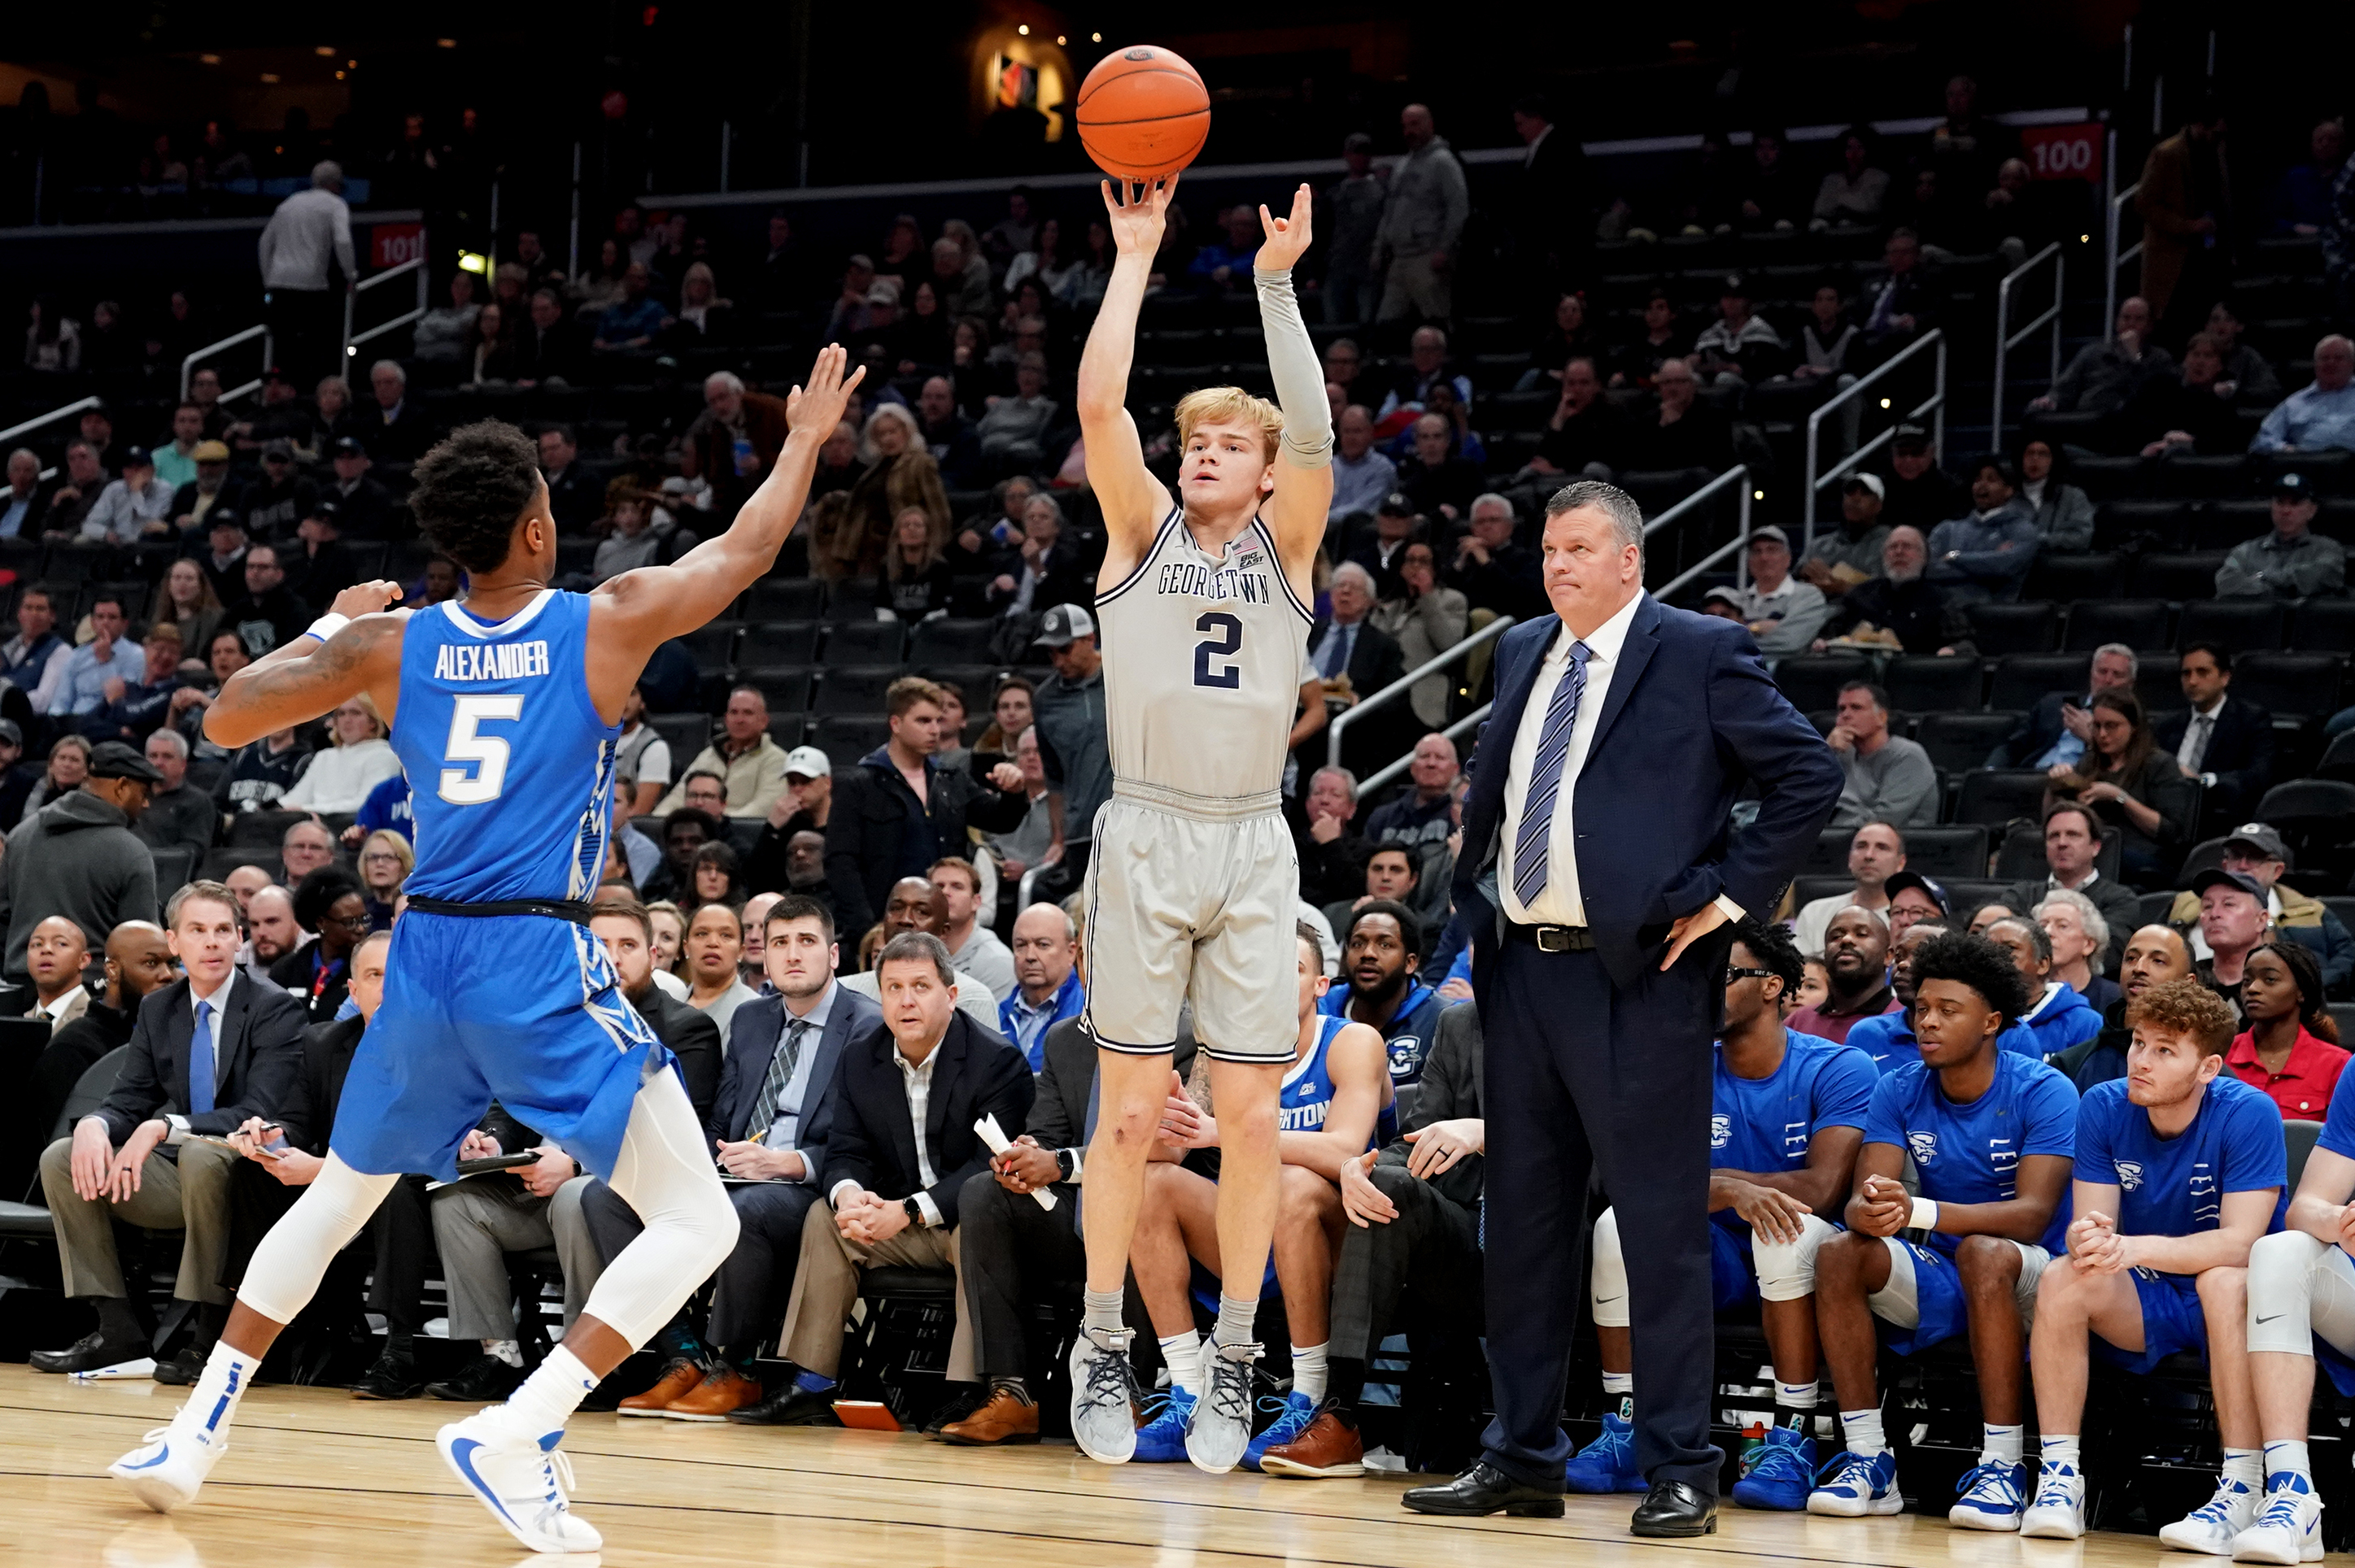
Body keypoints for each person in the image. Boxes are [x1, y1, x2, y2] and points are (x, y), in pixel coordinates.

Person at [103, 346, 864, 1552]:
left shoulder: (393, 645)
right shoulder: (599, 623)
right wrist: (804, 443)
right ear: (533, 529)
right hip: (531, 957)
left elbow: (229, 711)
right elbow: (744, 551)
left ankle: (192, 1428)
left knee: (343, 1200)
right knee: (700, 1222)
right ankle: (519, 1427)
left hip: (421, 963)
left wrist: (329, 626)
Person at [1413, 478, 1842, 1534]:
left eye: (1576, 548)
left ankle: (1680, 1465)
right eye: (1547, 549)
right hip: (1520, 970)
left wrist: (1727, 899)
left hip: (1638, 978)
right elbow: (1507, 794)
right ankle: (1519, 1453)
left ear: (1627, 561)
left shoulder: (1695, 649)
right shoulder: (1520, 650)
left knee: (1654, 1228)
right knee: (1518, 1227)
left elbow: (1805, 775)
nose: (1555, 565)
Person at [1060, 175, 1334, 1475]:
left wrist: (1275, 285)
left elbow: (1321, 440)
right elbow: (1099, 407)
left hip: (1249, 836)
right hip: (1149, 833)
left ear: (1267, 472)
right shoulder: (1138, 534)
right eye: (1198, 440)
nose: (1204, 452)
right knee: (1123, 1115)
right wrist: (1134, 256)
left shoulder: (1286, 553)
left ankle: (1232, 1353)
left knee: (1248, 1117)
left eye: (1230, 442)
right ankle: (1102, 1333)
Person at [1569, 919, 1874, 1509]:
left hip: (1797, 1258)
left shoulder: (1838, 1066)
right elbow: (1635, 1183)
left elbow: (1821, 1188)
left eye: (1724, 974)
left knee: (1782, 1228)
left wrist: (1712, 1187)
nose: (1705, 986)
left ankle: (1789, 1438)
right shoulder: (1679, 1064)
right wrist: (1731, 1191)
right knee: (1615, 1226)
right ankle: (1626, 1427)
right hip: (1705, 1254)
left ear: (1773, 987)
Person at [1806, 932, 2076, 1528]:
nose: (1927, 1023)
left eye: (1947, 1011)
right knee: (1837, 1253)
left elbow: (2031, 1215)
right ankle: (1868, 1460)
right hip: (1943, 1267)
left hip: (2037, 1276)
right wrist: (1866, 1212)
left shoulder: (2044, 1089)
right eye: (1921, 1009)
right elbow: (1864, 1198)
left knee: (1984, 1253)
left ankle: (2003, 1467)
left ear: (1991, 1022)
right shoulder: (1897, 1087)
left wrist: (1916, 1212)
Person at [2017, 978, 2280, 1541]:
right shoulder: (2103, 1104)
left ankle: (2241, 1487)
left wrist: (2132, 1248)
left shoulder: (2249, 1112)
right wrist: (2088, 1242)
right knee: (2065, 1276)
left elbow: (2240, 1243)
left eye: (2164, 1051)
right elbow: (2091, 1228)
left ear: (2207, 1068)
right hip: (2146, 1293)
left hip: (2238, 1300)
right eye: (2139, 1043)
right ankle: (2060, 1478)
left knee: (2224, 1280)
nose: (2141, 1061)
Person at [1123, 922, 1387, 1470]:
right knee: (1149, 1187)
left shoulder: (1351, 1041)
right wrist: (1151, 1117)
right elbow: (1171, 1155)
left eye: (1290, 969)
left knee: (1292, 1185)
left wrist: (1224, 1132)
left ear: (1320, 985)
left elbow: (1343, 1149)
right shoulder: (1220, 1055)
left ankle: (1308, 1396)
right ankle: (1190, 1393)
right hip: (1251, 1239)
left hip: (1345, 1240)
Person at [30, 883, 311, 1379]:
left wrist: (162, 1127)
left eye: (223, 930)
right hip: (182, 1171)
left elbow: (258, 1108)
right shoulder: (160, 1009)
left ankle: (207, 1333)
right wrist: (97, 1124)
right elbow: (130, 1096)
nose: (212, 943)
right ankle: (116, 1327)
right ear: (174, 942)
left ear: (239, 940)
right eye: (197, 931)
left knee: (202, 1155)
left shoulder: (273, 1007)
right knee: (61, 1155)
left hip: (251, 1170)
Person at [761, 931, 1030, 1421]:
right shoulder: (861, 1058)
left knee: (982, 1216)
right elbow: (846, 1150)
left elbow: (986, 1168)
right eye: (894, 988)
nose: (907, 1001)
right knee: (826, 1218)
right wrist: (850, 1197)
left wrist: (905, 1212)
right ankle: (811, 1382)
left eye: (921, 987)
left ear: (950, 996)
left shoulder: (996, 1061)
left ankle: (970, 1390)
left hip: (967, 1221)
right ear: (878, 996)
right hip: (898, 1222)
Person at [0, 740, 162, 987]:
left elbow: (2, 919)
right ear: (122, 787)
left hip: (17, 996)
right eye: (143, 793)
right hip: (92, 999)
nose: (146, 803)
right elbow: (141, 945)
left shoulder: (21, 834)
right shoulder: (131, 851)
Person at [2168, 822, 2353, 995]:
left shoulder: (2310, 911)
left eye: (2255, 857)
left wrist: (2306, 987)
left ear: (2278, 870)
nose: (2242, 865)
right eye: (2236, 855)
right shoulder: (2185, 904)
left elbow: (2347, 955)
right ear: (2225, 865)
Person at [2044, 691, 2193, 886]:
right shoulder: (2090, 764)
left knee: (2103, 855)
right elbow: (2050, 820)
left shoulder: (2159, 764)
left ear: (2133, 727)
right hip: (2097, 852)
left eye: (2112, 726)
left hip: (2146, 859)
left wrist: (2119, 797)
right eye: (2097, 726)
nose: (2103, 734)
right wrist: (2054, 786)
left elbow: (2170, 831)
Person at [2052, 924, 2196, 1091]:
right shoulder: (2070, 1065)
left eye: (2158, 961)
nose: (2139, 968)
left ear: (2188, 983)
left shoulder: (2206, 1072)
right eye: (2131, 958)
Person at [2152, 643, 2275, 834]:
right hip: (2165, 818)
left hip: (2218, 821)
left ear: (2225, 677)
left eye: (2202, 672)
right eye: (2186, 673)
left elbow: (2257, 777)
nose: (2192, 681)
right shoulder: (2166, 725)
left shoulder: (2250, 720)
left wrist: (2200, 781)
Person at [1320, 903, 1445, 1086]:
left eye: (1385, 944)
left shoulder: (1441, 1020)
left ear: (1410, 963)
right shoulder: (1318, 1011)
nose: (1368, 953)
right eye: (1358, 944)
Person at [2222, 939, 2347, 1120]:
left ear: (2301, 991)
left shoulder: (2337, 1065)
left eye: (2270, 980)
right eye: (2247, 980)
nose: (2253, 989)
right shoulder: (2220, 1055)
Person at [256, 163, 354, 383]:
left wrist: (268, 280)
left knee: (282, 347)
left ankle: (281, 390)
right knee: (316, 344)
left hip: (279, 285)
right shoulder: (335, 204)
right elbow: (343, 241)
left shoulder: (289, 204)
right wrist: (351, 275)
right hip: (312, 286)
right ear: (334, 184)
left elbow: (264, 243)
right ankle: (312, 387)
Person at [1375, 105, 1469, 324]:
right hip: (1399, 258)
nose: (1409, 131)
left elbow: (1458, 208)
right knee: (1387, 323)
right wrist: (1379, 248)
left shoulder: (1443, 161)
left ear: (1430, 125)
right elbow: (1390, 209)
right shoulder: (1402, 165)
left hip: (1427, 256)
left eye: (1415, 124)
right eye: (1405, 126)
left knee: (1435, 320)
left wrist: (1444, 249)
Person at [656, 686, 792, 820]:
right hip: (695, 828)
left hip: (738, 834)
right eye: (734, 712)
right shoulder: (709, 754)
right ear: (726, 719)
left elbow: (762, 808)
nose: (740, 720)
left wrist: (716, 823)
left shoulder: (777, 759)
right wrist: (657, 821)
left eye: (748, 713)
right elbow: (679, 795)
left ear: (764, 721)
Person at [2030, 296, 2175, 417]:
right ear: (2117, 323)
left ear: (2149, 326)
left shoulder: (2160, 358)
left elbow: (2154, 398)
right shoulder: (2092, 353)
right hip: (2088, 420)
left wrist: (2135, 357)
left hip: (2132, 425)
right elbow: (2064, 389)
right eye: (2126, 318)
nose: (2131, 324)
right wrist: (2050, 400)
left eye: (2139, 319)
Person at [1982, 914, 2103, 1058]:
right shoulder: (1970, 1016)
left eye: (2010, 948)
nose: (1995, 956)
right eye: (1988, 948)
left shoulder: (2085, 1022)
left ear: (2043, 964)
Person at [1926, 456, 2039, 604]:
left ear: (2009, 490)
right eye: (1977, 480)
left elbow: (2002, 567)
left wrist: (1953, 556)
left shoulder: (2022, 530)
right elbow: (1927, 569)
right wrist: (1986, 564)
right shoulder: (1946, 529)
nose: (1981, 485)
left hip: (1995, 615)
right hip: (1942, 610)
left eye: (1991, 480)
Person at [2217, 470, 2345, 599]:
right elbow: (2226, 584)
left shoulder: (2329, 549)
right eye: (2280, 502)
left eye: (2295, 503)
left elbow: (2322, 577)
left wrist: (2263, 577)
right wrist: (2286, 589)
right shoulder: (2245, 551)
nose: (2285, 510)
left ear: (2312, 510)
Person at [1825, 682, 1936, 829]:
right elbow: (1807, 800)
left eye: (1856, 708)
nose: (1846, 715)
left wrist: (1830, 831)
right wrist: (1825, 752)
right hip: (1838, 841)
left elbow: (1883, 820)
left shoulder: (1908, 755)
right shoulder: (1840, 753)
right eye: (1841, 709)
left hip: (1896, 845)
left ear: (1882, 717)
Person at [1787, 905, 1901, 1046]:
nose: (1846, 940)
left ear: (1888, 956)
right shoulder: (1798, 1021)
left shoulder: (1906, 1019)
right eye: (1836, 936)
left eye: (1861, 934)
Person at [1791, 821, 1905, 956]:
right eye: (1861, 846)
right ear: (1850, 859)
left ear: (1900, 863)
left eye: (1882, 847)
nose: (1869, 855)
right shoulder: (1815, 913)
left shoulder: (1907, 920)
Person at [278, 695, 399, 813]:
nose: (347, 720)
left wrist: (309, 810)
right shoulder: (325, 756)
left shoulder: (384, 756)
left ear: (373, 721)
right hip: (312, 822)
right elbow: (295, 799)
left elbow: (366, 803)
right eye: (341, 714)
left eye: (355, 713)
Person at [2249, 334, 2355, 455]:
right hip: (2307, 466)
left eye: (2339, 358)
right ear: (2315, 365)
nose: (2331, 363)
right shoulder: (2294, 403)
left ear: (2352, 364)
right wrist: (2286, 450)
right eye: (2325, 358)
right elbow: (2262, 440)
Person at [2194, 869, 2274, 1026]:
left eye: (2228, 904)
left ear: (2261, 920)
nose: (2214, 914)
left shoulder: (2287, 980)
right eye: (2207, 906)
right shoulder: (2190, 979)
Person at [930, 856, 1014, 1003]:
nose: (945, 892)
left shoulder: (997, 961)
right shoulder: (913, 949)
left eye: (957, 886)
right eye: (939, 886)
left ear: (976, 902)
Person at [2034, 889, 2118, 1012]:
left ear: (2088, 945)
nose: (2047, 932)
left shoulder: (2113, 998)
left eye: (2062, 926)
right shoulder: (2024, 995)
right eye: (2043, 925)